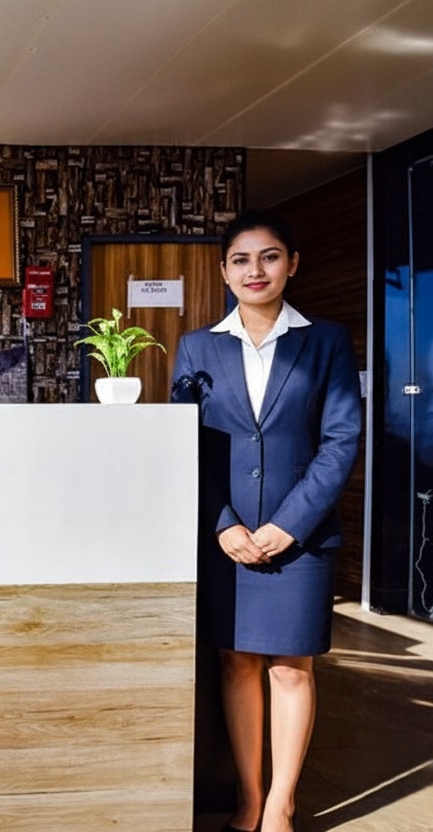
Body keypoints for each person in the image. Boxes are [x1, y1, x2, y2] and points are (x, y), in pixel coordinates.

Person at [171, 210, 361, 832]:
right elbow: (186, 444)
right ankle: (249, 796)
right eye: (241, 260)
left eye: (270, 256)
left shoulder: (326, 341)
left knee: (291, 667)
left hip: (300, 539)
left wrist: (290, 524)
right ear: (225, 272)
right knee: (237, 662)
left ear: (292, 264)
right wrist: (223, 524)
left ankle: (281, 803)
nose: (256, 270)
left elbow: (341, 439)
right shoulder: (197, 346)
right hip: (226, 538)